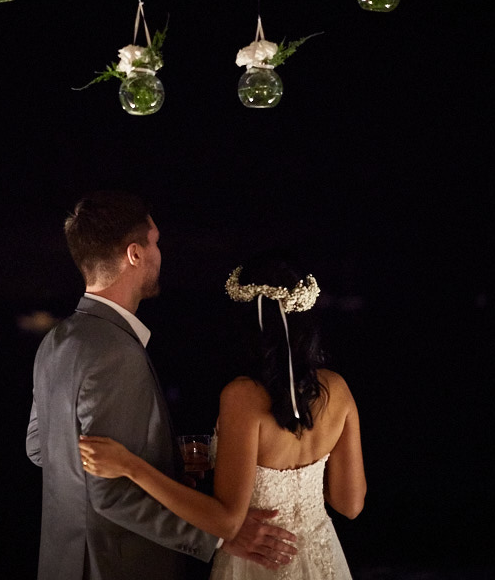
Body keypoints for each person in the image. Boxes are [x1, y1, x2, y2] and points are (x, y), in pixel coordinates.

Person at [26, 192, 299, 580]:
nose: (159, 253)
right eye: (155, 242)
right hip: (117, 564)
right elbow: (110, 494)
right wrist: (217, 538)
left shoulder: (55, 341)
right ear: (134, 254)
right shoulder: (115, 351)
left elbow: (40, 447)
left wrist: (162, 464)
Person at [79, 254, 367, 579]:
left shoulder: (242, 396)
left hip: (257, 562)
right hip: (322, 558)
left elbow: (226, 522)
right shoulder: (337, 389)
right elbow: (350, 504)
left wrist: (131, 466)